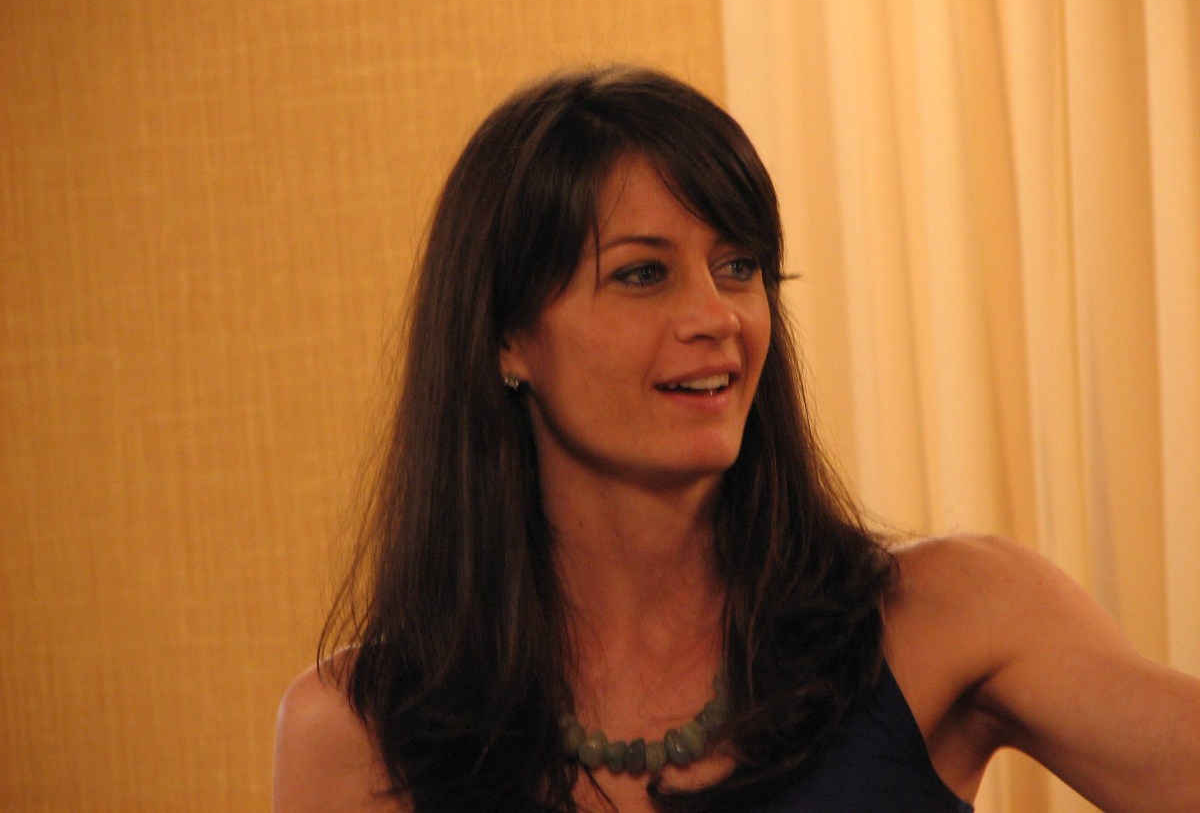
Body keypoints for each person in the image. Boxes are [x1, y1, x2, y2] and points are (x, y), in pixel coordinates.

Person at [273, 66, 1200, 812]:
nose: (717, 317)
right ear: (509, 337)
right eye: (643, 274)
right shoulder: (352, 732)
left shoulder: (960, 614)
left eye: (739, 266)